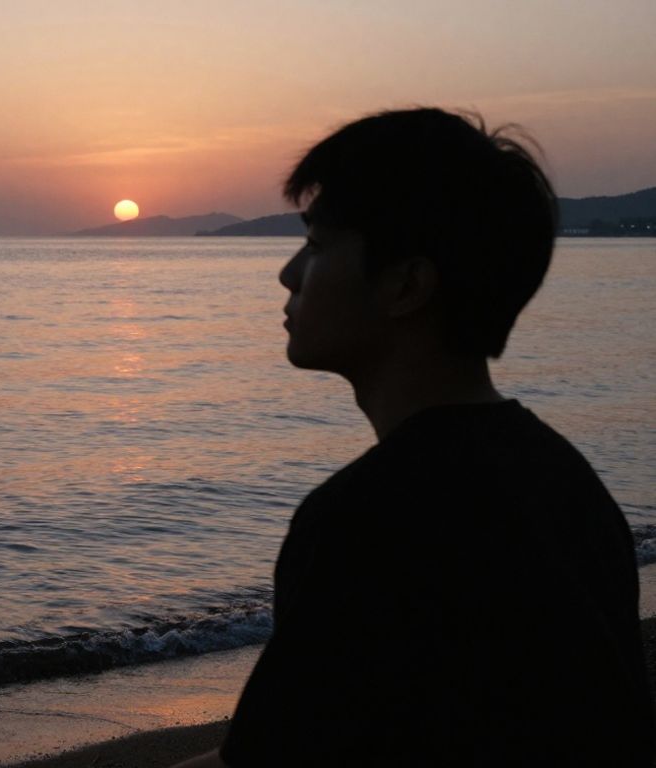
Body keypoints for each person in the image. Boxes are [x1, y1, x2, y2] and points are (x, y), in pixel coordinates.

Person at [173, 108, 654, 766]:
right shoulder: (570, 487)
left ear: (406, 283)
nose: (287, 274)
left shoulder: (366, 522)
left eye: (315, 246)